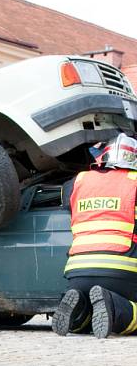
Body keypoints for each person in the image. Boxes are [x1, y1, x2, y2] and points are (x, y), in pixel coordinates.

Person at [52, 133, 137, 339]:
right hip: (123, 272)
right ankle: (114, 305)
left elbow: (66, 203)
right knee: (125, 309)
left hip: (77, 272)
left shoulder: (78, 181)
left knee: (93, 313)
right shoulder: (134, 182)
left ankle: (79, 310)